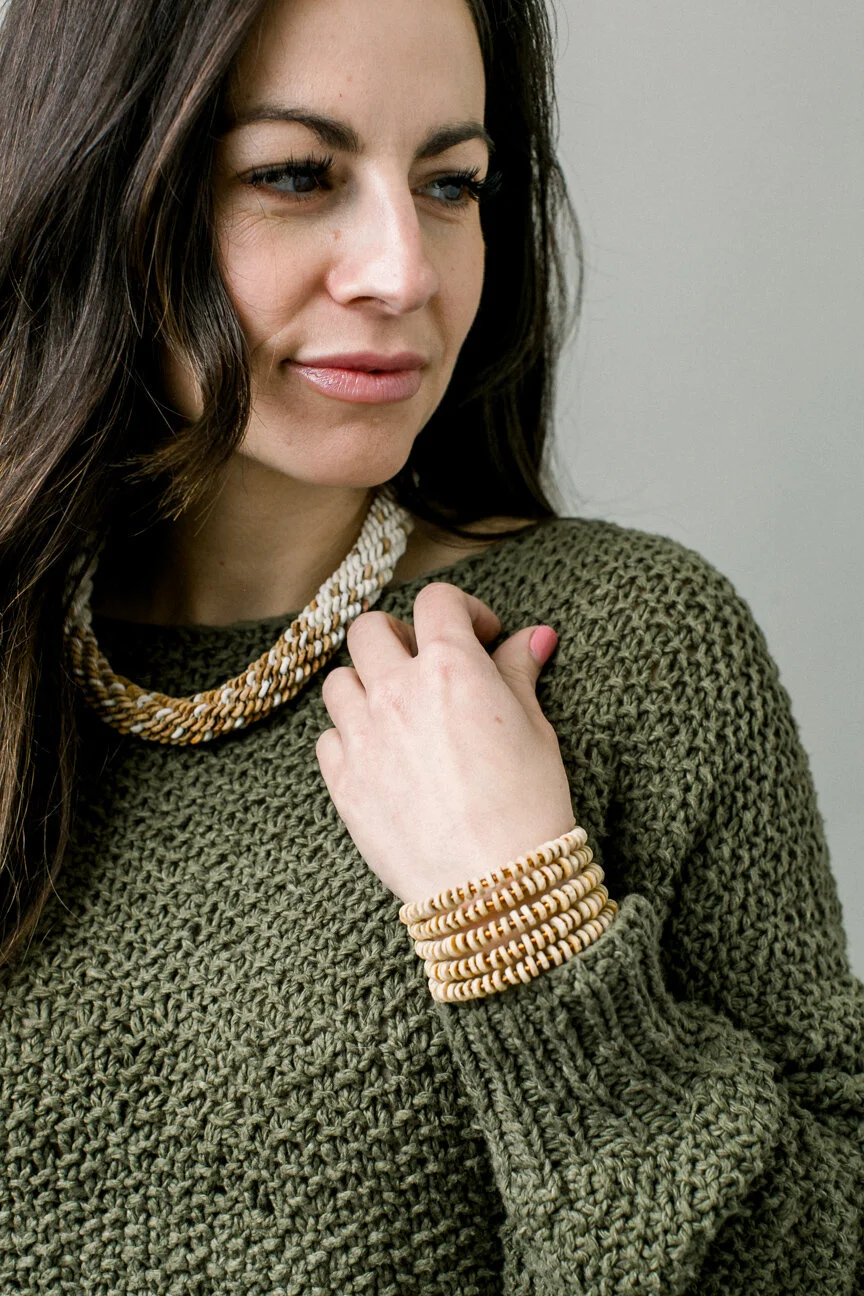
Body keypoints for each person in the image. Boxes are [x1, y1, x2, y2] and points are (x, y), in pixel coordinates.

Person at [0, 0, 861, 1290]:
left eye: (452, 184)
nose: (403, 274)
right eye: (296, 175)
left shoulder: (625, 652)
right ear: (96, 186)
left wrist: (526, 921)